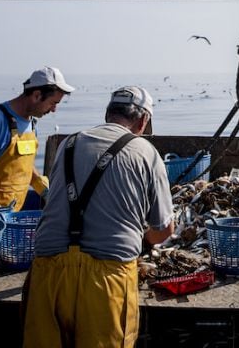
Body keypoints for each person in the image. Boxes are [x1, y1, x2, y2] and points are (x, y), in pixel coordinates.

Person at [23, 86, 174, 348]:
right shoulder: (146, 152)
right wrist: (144, 239)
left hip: (48, 272)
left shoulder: (66, 145)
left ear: (107, 113)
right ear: (143, 121)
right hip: (107, 279)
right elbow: (164, 229)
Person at [0, 66, 72, 211]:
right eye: (53, 103)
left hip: (9, 218)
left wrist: (43, 189)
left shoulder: (31, 124)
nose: (54, 110)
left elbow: (20, 165)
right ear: (36, 95)